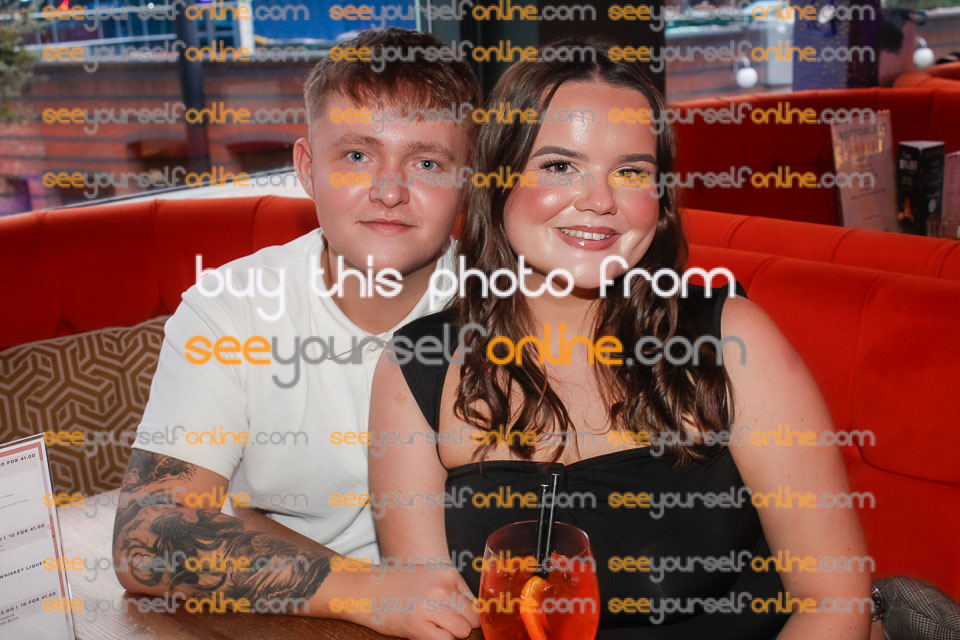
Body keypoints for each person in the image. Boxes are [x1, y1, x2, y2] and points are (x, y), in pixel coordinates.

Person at [369, 39, 874, 639]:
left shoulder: (731, 339)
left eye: (631, 172)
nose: (601, 202)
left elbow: (833, 601)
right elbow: (433, 614)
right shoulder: (419, 365)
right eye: (560, 166)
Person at [112, 28, 481, 640]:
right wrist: (371, 591)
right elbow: (146, 535)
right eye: (357, 156)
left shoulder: (516, 306)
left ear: (466, 178)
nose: (389, 192)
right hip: (291, 614)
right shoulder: (228, 308)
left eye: (426, 163)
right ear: (308, 168)